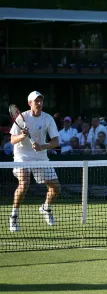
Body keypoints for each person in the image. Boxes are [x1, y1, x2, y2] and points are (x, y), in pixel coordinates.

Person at [9, 91, 60, 232]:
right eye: (36, 101)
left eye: (41, 100)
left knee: (56, 188)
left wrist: (42, 146)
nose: (39, 103)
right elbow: (12, 140)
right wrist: (22, 136)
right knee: (24, 183)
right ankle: (14, 216)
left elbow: (56, 142)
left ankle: (45, 207)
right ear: (30, 103)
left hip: (41, 156)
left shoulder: (48, 118)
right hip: (22, 156)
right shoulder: (21, 117)